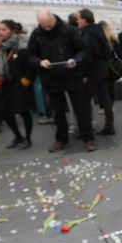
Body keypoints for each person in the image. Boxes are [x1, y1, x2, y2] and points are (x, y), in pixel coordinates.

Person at [28, 9, 95, 152]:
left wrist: (75, 60)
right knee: (57, 111)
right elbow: (31, 56)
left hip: (72, 75)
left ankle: (88, 138)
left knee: (81, 109)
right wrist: (40, 62)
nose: (46, 28)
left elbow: (83, 51)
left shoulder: (69, 30)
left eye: (48, 24)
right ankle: (61, 139)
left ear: (53, 19)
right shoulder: (36, 34)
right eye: (43, 25)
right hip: (50, 77)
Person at [0, 20, 35, 149]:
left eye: (4, 29)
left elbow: (31, 65)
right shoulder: (2, 46)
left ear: (13, 31)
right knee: (4, 111)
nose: (0, 32)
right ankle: (18, 136)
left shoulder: (22, 44)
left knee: (24, 111)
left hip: (20, 83)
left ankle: (27, 138)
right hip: (6, 83)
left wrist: (26, 81)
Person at [76, 8, 114, 136]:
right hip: (103, 69)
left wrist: (84, 74)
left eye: (79, 18)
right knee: (105, 99)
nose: (77, 21)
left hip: (93, 72)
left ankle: (86, 130)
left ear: (85, 19)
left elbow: (88, 55)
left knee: (85, 100)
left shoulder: (88, 33)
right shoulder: (98, 30)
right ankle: (109, 125)